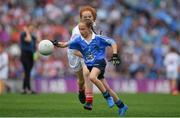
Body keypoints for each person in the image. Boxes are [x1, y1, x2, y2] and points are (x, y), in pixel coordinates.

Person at [54, 19, 128, 116]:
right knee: (107, 88)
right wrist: (55, 43)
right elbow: (65, 44)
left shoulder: (98, 38)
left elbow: (112, 42)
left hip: (100, 62)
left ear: (89, 28)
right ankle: (122, 106)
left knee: (92, 77)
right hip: (90, 65)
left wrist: (114, 55)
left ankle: (107, 97)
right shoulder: (78, 39)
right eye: (80, 29)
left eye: (83, 29)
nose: (81, 31)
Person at [53, 5, 97, 110]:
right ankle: (81, 90)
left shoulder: (94, 26)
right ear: (81, 18)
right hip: (75, 53)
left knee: (87, 73)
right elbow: (74, 48)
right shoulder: (78, 31)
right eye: (85, 17)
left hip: (86, 54)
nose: (87, 18)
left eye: (89, 16)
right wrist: (60, 44)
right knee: (81, 80)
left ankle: (89, 101)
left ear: (93, 18)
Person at [20, 24, 40, 94]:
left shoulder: (32, 36)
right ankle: (29, 89)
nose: (31, 29)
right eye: (30, 28)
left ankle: (23, 89)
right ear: (27, 28)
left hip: (31, 55)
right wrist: (26, 31)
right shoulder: (23, 34)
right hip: (25, 55)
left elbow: (38, 40)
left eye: (32, 28)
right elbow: (28, 40)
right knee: (27, 72)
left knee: (27, 72)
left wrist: (37, 31)